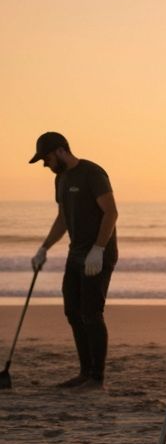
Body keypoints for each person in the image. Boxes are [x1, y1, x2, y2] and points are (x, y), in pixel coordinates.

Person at [30, 132, 118, 389]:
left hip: (98, 255)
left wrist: (99, 249)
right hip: (76, 253)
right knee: (73, 311)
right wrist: (44, 248)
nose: (45, 164)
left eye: (46, 158)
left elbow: (111, 212)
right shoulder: (61, 178)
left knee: (92, 313)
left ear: (59, 151)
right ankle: (85, 372)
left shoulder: (92, 173)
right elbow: (63, 219)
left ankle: (96, 378)